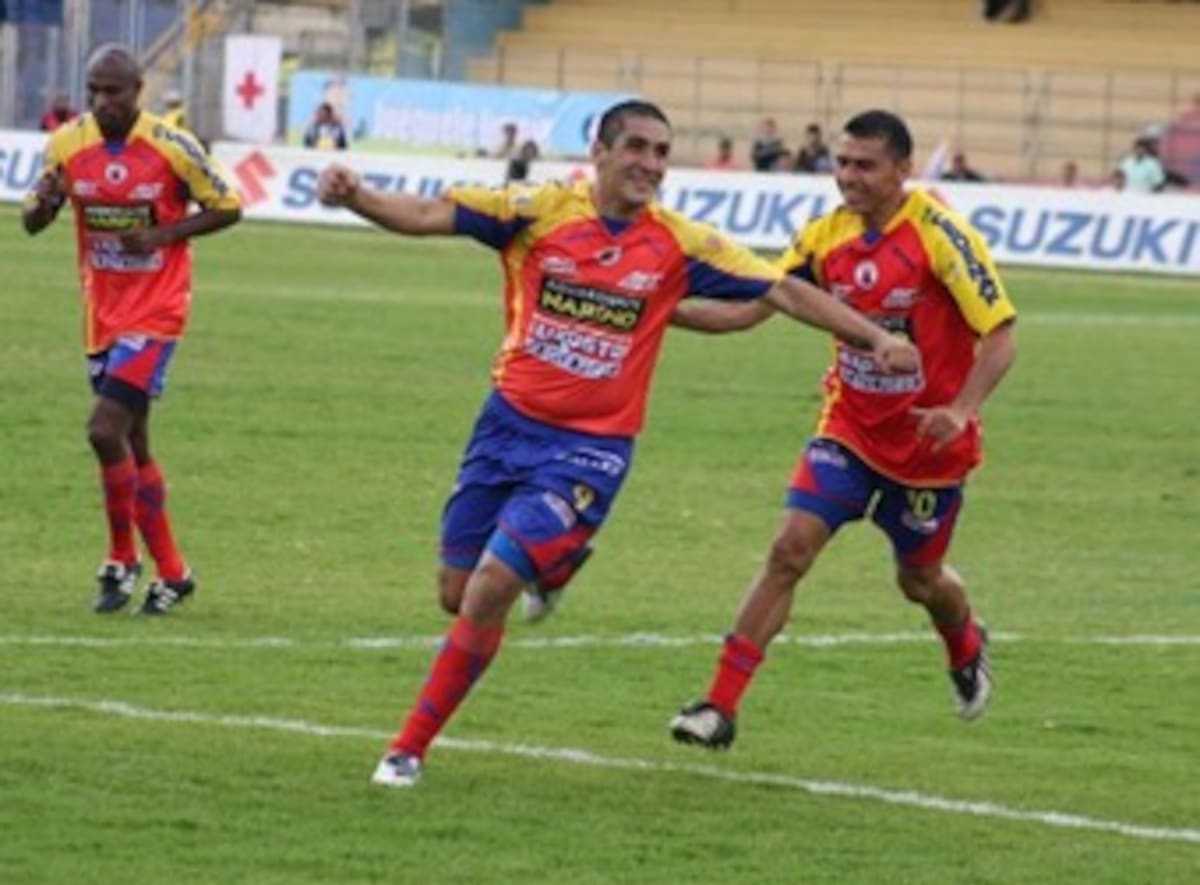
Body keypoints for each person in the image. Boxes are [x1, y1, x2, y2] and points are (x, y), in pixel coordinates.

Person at [315, 99, 920, 788]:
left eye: (661, 152)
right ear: (598, 151)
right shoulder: (536, 210)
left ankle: (408, 749)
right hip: (504, 428)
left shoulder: (677, 241)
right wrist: (357, 196)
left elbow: (780, 291)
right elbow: (428, 216)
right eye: (636, 147)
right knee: (456, 594)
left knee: (489, 589)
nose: (650, 164)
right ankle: (560, 561)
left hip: (591, 450)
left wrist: (873, 337)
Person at [667, 109, 1017, 750]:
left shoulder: (941, 235)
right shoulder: (823, 237)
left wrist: (962, 410)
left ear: (902, 170)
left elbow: (1001, 335)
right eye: (843, 163)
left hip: (927, 446)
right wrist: (663, 311)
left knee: (920, 582)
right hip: (849, 430)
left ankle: (964, 642)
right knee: (788, 550)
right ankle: (718, 708)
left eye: (865, 166)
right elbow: (752, 307)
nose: (849, 177)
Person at [21, 44, 242, 615]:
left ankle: (120, 558)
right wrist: (43, 207)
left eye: (112, 91)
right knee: (131, 442)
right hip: (102, 312)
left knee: (103, 430)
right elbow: (31, 220)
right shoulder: (68, 143)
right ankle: (174, 572)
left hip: (157, 310)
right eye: (93, 89)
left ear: (138, 90)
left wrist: (163, 237)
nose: (101, 101)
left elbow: (229, 205)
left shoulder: (172, 146)